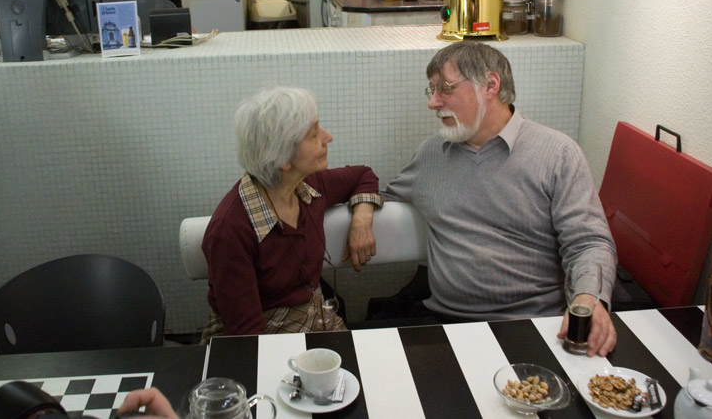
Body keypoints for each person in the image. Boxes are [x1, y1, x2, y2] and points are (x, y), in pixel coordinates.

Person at [382, 41, 618, 357]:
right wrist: (362, 206)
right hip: (444, 325)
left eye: (445, 89)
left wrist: (588, 299)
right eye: (432, 91)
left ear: (490, 85)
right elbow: (384, 195)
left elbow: (588, 242)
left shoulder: (557, 154)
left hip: (537, 326)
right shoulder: (431, 155)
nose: (433, 103)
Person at [201, 87, 382, 339]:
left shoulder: (309, 186)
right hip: (259, 337)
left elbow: (363, 175)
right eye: (313, 134)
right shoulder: (230, 231)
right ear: (283, 157)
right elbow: (248, 338)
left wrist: (362, 219)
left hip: (314, 315)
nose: (328, 137)